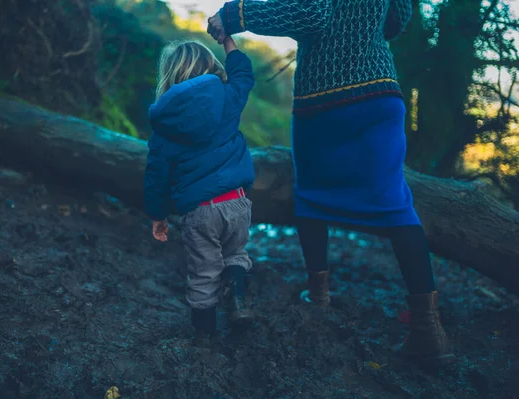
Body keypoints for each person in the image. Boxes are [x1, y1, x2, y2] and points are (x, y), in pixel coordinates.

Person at [207, 0, 454, 365]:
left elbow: (311, 13)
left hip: (326, 98)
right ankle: (427, 326)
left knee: (311, 195)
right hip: (380, 94)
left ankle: (318, 298)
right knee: (396, 204)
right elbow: (395, 21)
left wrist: (233, 15)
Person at [144, 38, 256, 345]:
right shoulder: (228, 97)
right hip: (237, 202)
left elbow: (157, 174)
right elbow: (244, 75)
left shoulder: (165, 123)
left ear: (170, 75)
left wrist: (158, 214)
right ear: (209, 65)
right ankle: (238, 298)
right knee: (235, 254)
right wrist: (228, 41)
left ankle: (205, 336)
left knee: (204, 273)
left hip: (199, 210)